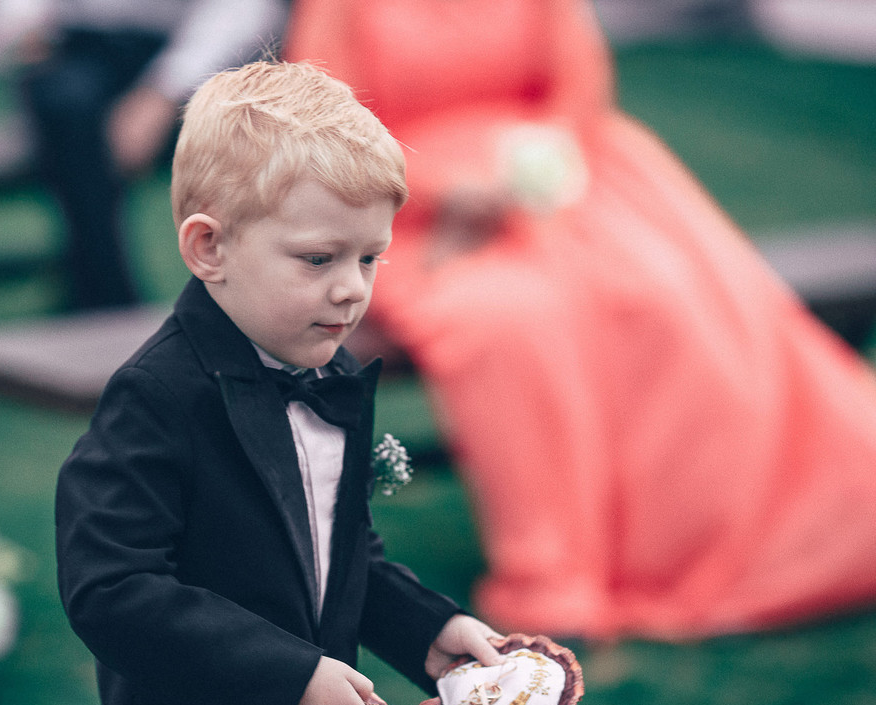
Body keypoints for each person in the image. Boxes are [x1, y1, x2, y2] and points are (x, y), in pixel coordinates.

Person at [286, 0, 876, 640]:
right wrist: (444, 188)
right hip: (403, 209)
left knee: (664, 294)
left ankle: (689, 532)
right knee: (508, 323)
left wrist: (542, 171)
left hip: (564, 182)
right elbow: (324, 125)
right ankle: (558, 560)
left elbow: (578, 89)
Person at [55, 60, 506, 705]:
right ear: (209, 248)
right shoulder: (155, 395)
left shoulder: (322, 369)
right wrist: (289, 679)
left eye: (370, 257)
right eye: (318, 258)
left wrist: (426, 630)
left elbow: (339, 554)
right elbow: (112, 586)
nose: (351, 288)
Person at [0, 0, 289, 313]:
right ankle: (105, 293)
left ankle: (103, 295)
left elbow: (242, 12)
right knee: (64, 106)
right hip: (78, 54)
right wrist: (21, 25)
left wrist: (165, 92)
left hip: (196, 57)